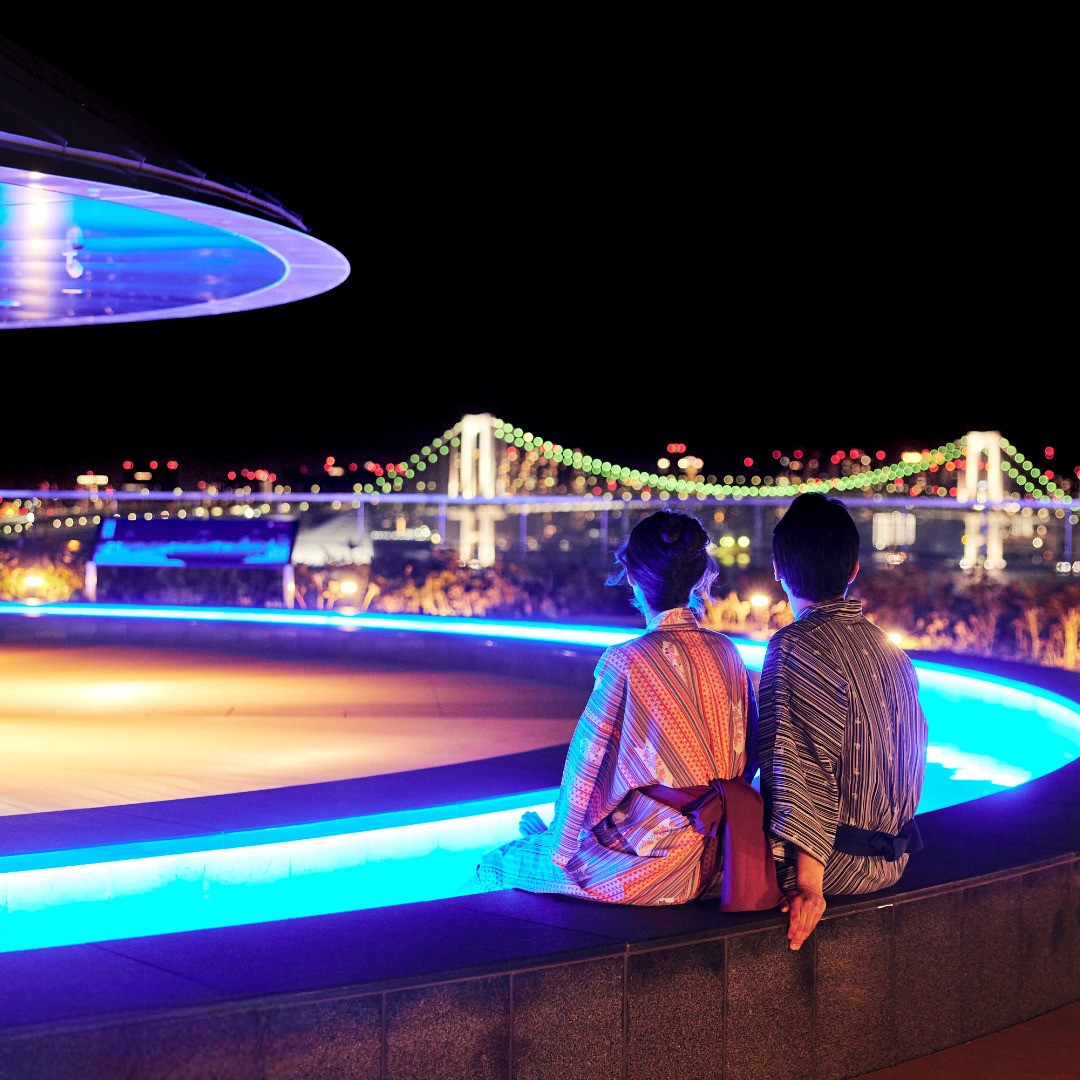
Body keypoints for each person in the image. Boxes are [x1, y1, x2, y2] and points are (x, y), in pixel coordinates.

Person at [475, 510, 784, 911]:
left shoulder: (626, 660)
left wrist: (561, 842)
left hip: (653, 866)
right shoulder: (726, 650)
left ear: (634, 579)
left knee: (495, 865)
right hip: (722, 858)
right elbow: (750, 755)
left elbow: (586, 769)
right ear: (697, 577)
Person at [759, 492, 928, 951]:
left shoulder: (794, 645)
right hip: (895, 858)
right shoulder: (891, 652)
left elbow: (796, 764)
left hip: (838, 866)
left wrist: (808, 885)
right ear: (853, 570)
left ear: (778, 568)